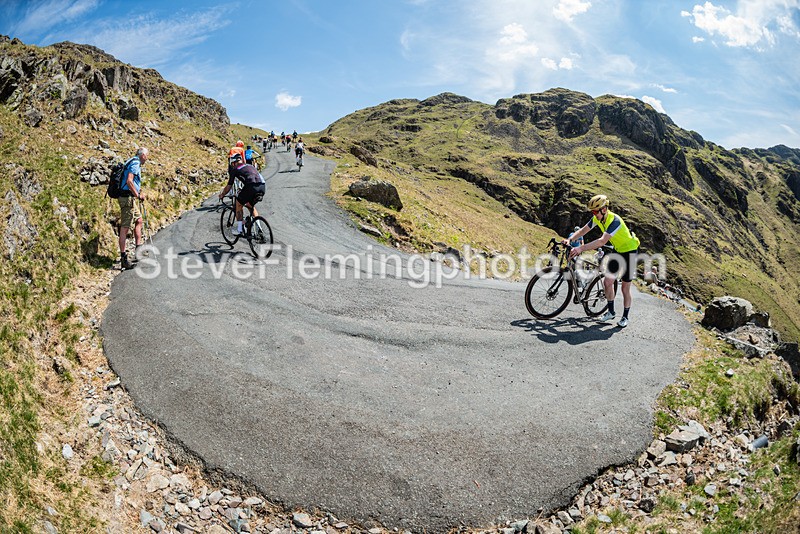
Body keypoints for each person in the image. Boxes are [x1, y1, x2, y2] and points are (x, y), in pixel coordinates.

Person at [564, 194, 640, 328]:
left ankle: (625, 317)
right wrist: (570, 240)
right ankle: (610, 312)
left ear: (604, 209)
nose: (594, 214)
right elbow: (583, 230)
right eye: (592, 212)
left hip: (630, 251)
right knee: (608, 281)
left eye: (595, 211)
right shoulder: (597, 219)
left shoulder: (614, 221)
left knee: (625, 288)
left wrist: (581, 248)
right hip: (618, 251)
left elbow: (601, 241)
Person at [218, 153, 265, 235]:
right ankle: (259, 227)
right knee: (251, 206)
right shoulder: (250, 166)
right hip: (262, 186)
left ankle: (240, 230)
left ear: (233, 163)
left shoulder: (235, 169)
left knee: (238, 204)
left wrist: (222, 195)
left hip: (251, 186)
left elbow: (229, 186)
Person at [117, 147, 149, 269]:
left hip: (129, 198)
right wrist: (138, 195)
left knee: (139, 220)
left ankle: (138, 250)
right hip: (127, 198)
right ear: (143, 155)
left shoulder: (132, 161)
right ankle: (123, 258)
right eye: (147, 156)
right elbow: (129, 181)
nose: (147, 159)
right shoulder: (135, 163)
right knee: (125, 227)